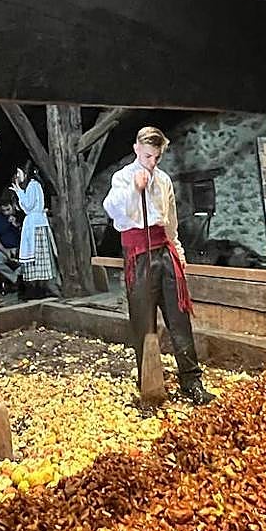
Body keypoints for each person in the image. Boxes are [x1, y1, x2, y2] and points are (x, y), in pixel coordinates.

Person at [103, 126, 214, 405]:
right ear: (137, 148)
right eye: (149, 155)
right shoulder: (122, 177)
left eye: (157, 157)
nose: (152, 162)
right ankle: (149, 382)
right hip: (138, 255)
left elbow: (171, 222)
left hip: (164, 252)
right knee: (143, 321)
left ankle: (191, 380)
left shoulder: (164, 180)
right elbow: (112, 209)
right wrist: (135, 188)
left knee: (179, 317)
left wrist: (178, 252)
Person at [12, 166, 59, 299]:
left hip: (35, 225)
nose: (18, 175)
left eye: (19, 172)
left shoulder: (33, 185)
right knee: (36, 258)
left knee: (36, 259)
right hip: (36, 223)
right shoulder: (35, 185)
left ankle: (37, 290)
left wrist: (19, 191)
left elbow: (28, 205)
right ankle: (37, 290)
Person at [0, 196, 22, 290]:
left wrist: (16, 226)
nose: (6, 213)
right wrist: (5, 251)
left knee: (24, 264)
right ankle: (15, 279)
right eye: (3, 211)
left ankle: (20, 278)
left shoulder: (20, 217)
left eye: (8, 210)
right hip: (4, 249)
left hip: (19, 248)